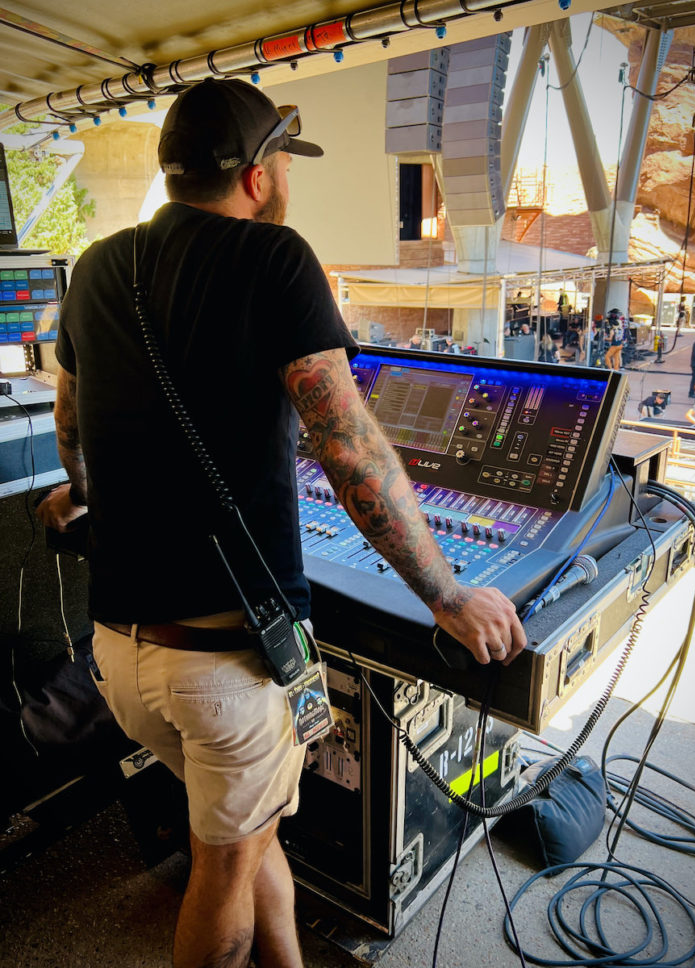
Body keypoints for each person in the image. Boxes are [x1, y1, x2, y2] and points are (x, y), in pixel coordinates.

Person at [35, 78, 526, 968]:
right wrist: (448, 595)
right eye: (283, 166)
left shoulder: (100, 264)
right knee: (223, 868)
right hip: (223, 667)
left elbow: (71, 415)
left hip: (117, 655)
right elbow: (350, 450)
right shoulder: (277, 260)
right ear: (258, 175)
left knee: (250, 833)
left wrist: (84, 490)